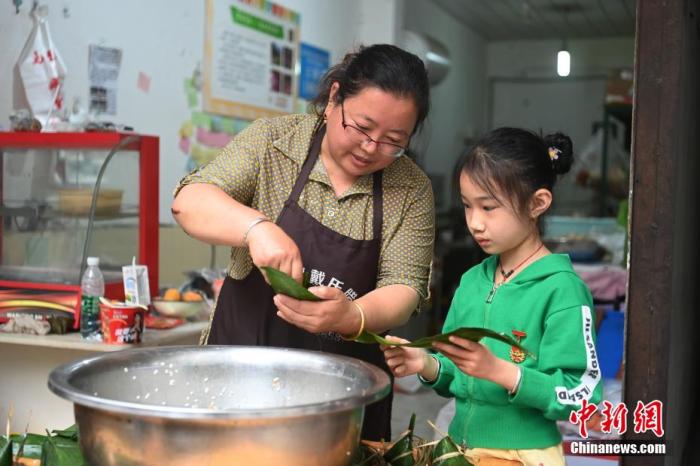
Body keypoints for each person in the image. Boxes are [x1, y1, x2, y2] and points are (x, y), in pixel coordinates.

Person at [171, 44, 434, 441]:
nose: (370, 147)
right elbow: (189, 202)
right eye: (361, 127)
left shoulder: (411, 188)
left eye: (392, 141)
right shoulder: (273, 143)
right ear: (333, 98)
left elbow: (406, 286)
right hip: (238, 381)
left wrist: (354, 317)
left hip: (342, 403)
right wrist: (256, 228)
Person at [382, 128, 603, 465]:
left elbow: (581, 394)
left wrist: (502, 372)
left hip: (523, 456)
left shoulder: (562, 290)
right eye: (468, 206)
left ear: (537, 203)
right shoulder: (473, 281)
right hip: (459, 450)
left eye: (488, 207)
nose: (475, 223)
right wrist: (424, 364)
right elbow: (456, 374)